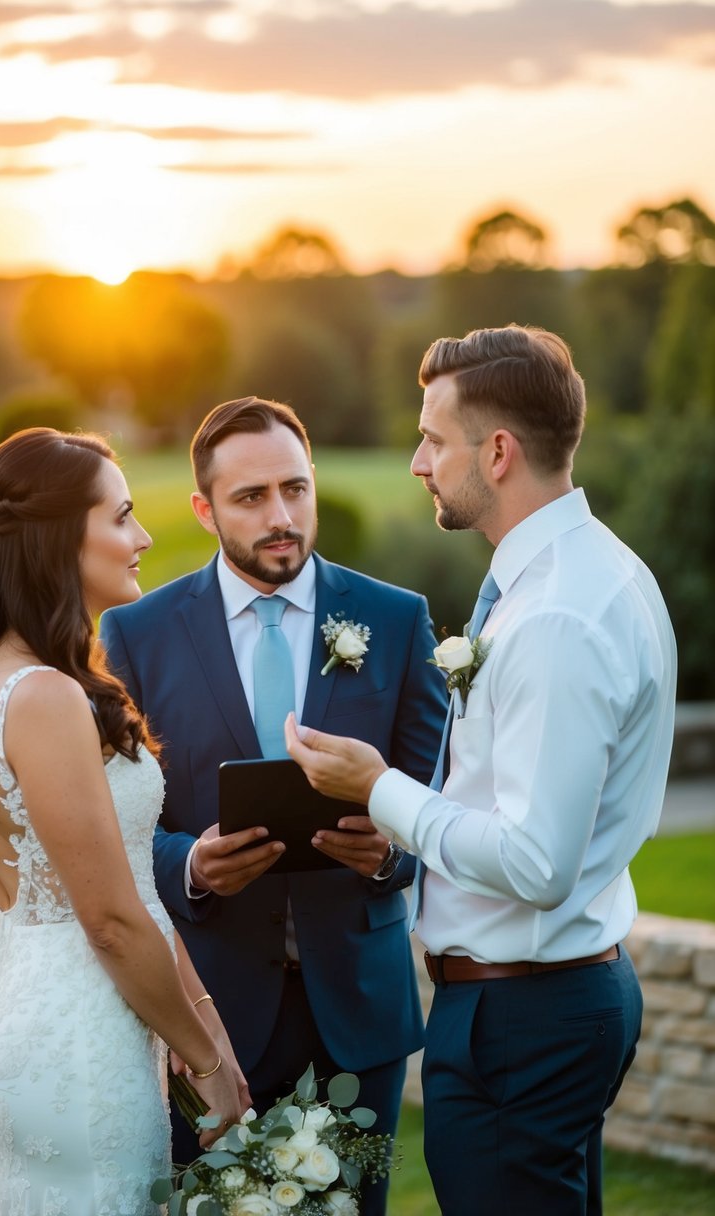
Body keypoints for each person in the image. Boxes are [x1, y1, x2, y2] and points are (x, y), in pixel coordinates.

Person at [285, 326, 678, 1216]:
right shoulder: (599, 571)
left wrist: (378, 788)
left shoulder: (554, 620)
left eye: (432, 438)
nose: (418, 462)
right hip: (555, 1000)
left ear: (496, 452)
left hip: (522, 1022)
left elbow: (537, 864)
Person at [100, 396, 447, 1211]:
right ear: (204, 508)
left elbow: (439, 800)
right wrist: (188, 864)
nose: (281, 515)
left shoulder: (396, 622)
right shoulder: (136, 634)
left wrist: (392, 849)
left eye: (295, 489)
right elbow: (116, 825)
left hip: (358, 1011)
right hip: (210, 1016)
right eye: (251, 497)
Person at [0, 428, 248, 1216]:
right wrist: (204, 1064)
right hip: (74, 1038)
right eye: (122, 516)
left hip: (75, 1012)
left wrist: (206, 1027)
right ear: (62, 534)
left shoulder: (39, 680)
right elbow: (107, 918)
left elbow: (134, 889)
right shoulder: (42, 695)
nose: (143, 537)